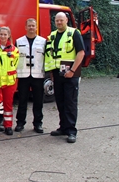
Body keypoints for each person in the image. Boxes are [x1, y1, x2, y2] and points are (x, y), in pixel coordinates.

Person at [45, 12, 85, 143]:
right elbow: (50, 55)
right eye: (57, 21)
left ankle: (71, 131)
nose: (59, 23)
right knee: (60, 102)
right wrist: (51, 73)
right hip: (58, 74)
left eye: (61, 20)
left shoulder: (74, 33)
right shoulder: (52, 35)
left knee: (70, 103)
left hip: (71, 74)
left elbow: (81, 52)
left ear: (66, 20)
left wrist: (73, 70)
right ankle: (63, 127)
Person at [15, 18, 46, 133]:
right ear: (25, 27)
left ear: (36, 27)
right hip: (23, 75)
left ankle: (38, 124)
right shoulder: (19, 41)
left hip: (38, 75)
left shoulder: (43, 41)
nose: (31, 28)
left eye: (33, 26)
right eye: (29, 26)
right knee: (22, 100)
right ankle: (20, 123)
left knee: (38, 101)